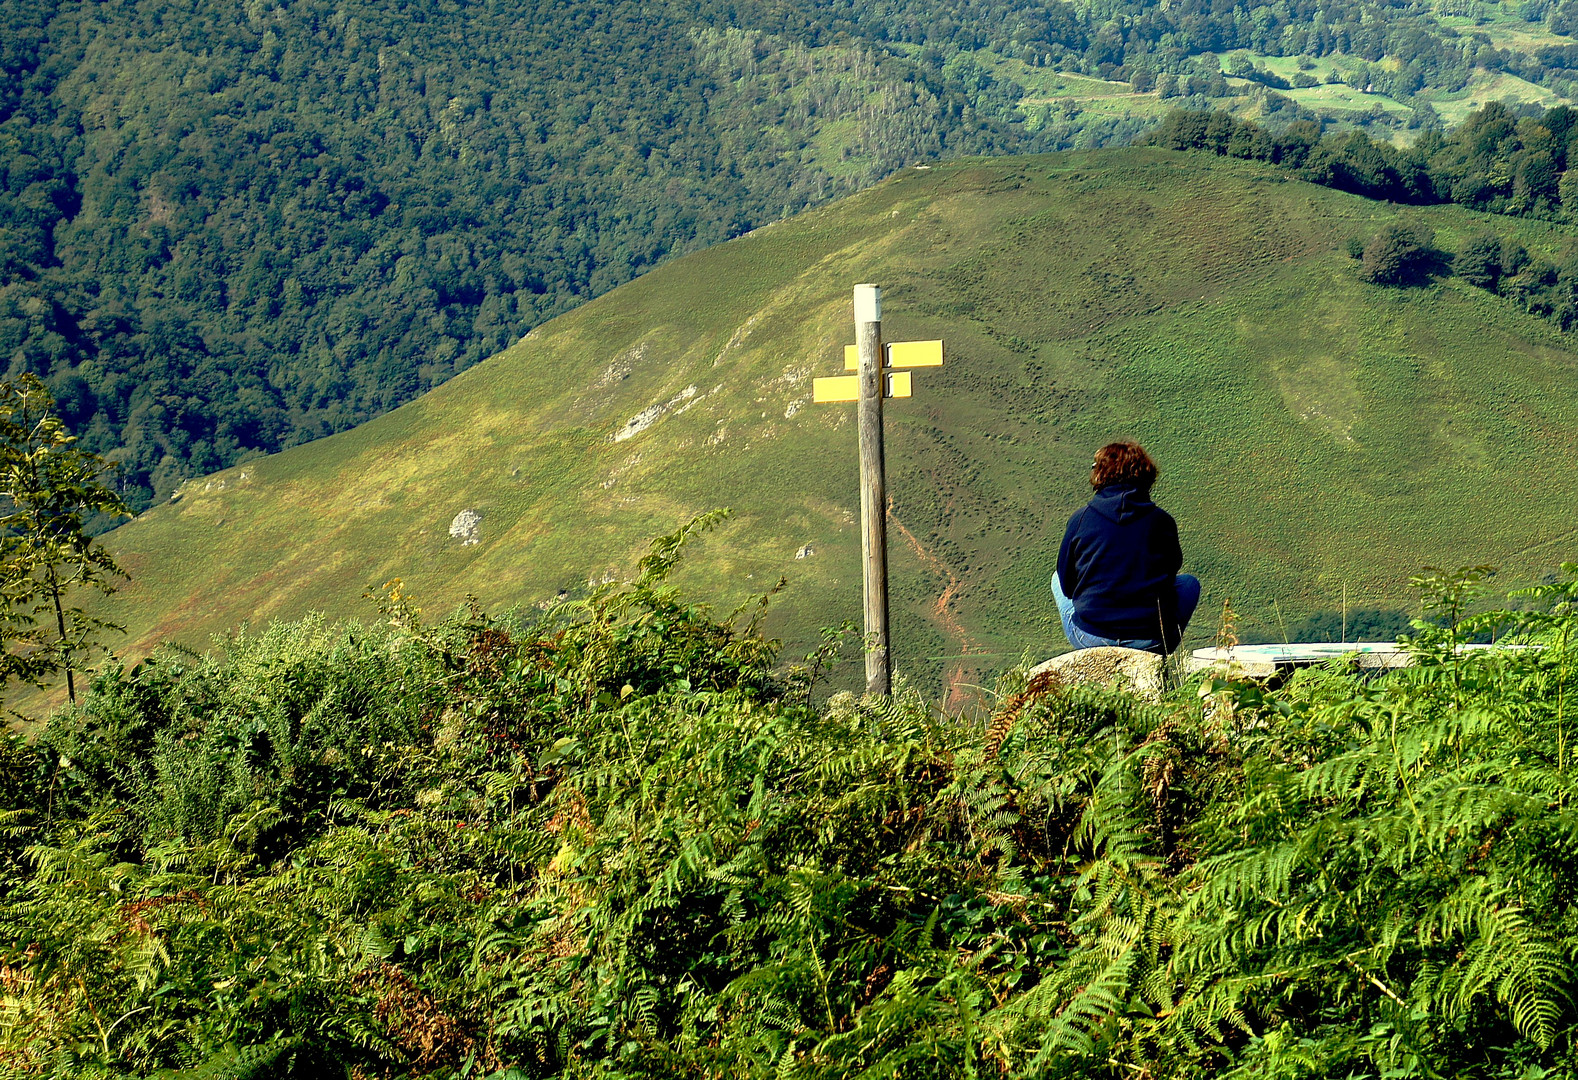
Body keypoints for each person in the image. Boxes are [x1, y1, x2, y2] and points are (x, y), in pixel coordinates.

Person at [1052, 441, 1200, 655]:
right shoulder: (1162, 521)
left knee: (1057, 578)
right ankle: (1157, 648)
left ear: (1100, 474)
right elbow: (1170, 574)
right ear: (1146, 474)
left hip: (1091, 637)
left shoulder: (1081, 519)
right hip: (1150, 639)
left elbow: (1067, 585)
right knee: (1188, 583)